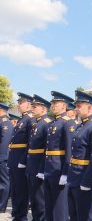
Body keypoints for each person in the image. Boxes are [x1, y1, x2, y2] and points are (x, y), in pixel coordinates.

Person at [67, 90, 92, 221]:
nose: (76, 109)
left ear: (90, 108)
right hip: (74, 175)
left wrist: (87, 181)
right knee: (74, 213)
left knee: (86, 215)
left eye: (79, 106)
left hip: (85, 176)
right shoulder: (81, 125)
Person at [43, 91, 77, 221]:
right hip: (50, 167)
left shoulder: (68, 123)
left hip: (59, 167)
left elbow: (70, 149)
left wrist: (66, 172)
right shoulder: (52, 123)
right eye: (52, 103)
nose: (53, 106)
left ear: (63, 106)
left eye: (55, 104)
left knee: (60, 205)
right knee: (49, 202)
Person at [8, 92, 33, 221]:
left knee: (21, 190)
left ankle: (21, 216)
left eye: (21, 103)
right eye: (18, 103)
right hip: (14, 158)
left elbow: (30, 142)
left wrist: (23, 160)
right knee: (15, 190)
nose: (18, 105)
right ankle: (17, 215)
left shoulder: (29, 120)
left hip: (20, 160)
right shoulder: (21, 120)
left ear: (29, 105)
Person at [27, 95, 51, 220]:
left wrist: (42, 168)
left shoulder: (47, 124)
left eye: (35, 107)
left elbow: (47, 148)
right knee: (34, 197)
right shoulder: (37, 123)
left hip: (39, 165)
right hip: (32, 164)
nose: (32, 109)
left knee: (40, 199)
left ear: (43, 109)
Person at [0, 103, 13, 213]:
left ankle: (2, 205)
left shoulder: (6, 122)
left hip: (2, 156)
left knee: (4, 181)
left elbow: (5, 142)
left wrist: (1, 156)